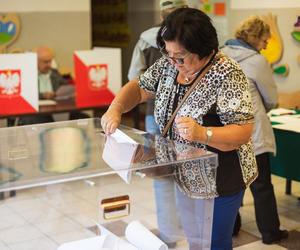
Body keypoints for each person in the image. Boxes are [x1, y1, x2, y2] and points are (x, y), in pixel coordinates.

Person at [101, 8, 257, 249]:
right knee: (195, 239)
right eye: (168, 53)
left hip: (222, 177)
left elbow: (243, 131)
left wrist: (202, 133)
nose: (173, 62)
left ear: (204, 50)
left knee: (214, 241)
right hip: (184, 173)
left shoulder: (227, 74)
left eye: (180, 57)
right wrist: (116, 107)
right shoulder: (168, 65)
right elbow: (139, 87)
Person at [222, 16, 289, 244]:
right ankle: (270, 233)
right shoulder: (256, 61)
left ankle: (232, 227)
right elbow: (271, 99)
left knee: (232, 183)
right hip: (252, 134)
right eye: (264, 40)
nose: (266, 45)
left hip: (227, 132)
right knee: (261, 186)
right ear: (254, 37)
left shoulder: (220, 55)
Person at [127, 0, 188, 247]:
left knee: (163, 175)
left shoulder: (146, 38)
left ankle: (169, 233)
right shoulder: (194, 40)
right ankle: (190, 227)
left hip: (156, 115)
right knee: (188, 169)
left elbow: (134, 77)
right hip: (189, 116)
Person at [18, 46, 88, 125]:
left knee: (82, 117)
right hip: (36, 111)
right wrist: (43, 95)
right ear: (35, 61)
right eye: (45, 62)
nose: (49, 65)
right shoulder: (28, 75)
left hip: (56, 109)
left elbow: (65, 86)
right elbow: (25, 94)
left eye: (50, 61)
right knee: (37, 120)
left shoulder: (54, 73)